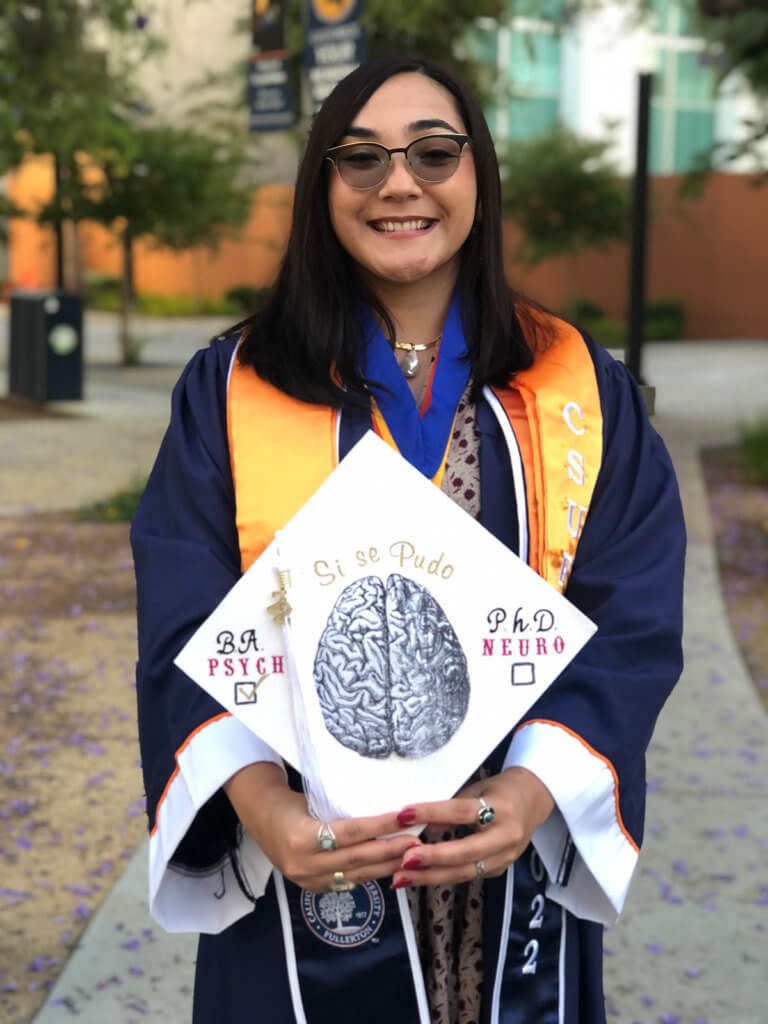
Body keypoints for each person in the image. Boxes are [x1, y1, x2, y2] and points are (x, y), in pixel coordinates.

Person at [131, 55, 686, 1024]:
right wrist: (267, 811)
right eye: (362, 159)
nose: (400, 184)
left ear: (479, 176)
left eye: (434, 153)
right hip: (310, 863)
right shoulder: (232, 387)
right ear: (323, 186)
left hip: (503, 863)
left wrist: (528, 792)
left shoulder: (576, 388)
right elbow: (183, 613)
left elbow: (633, 607)